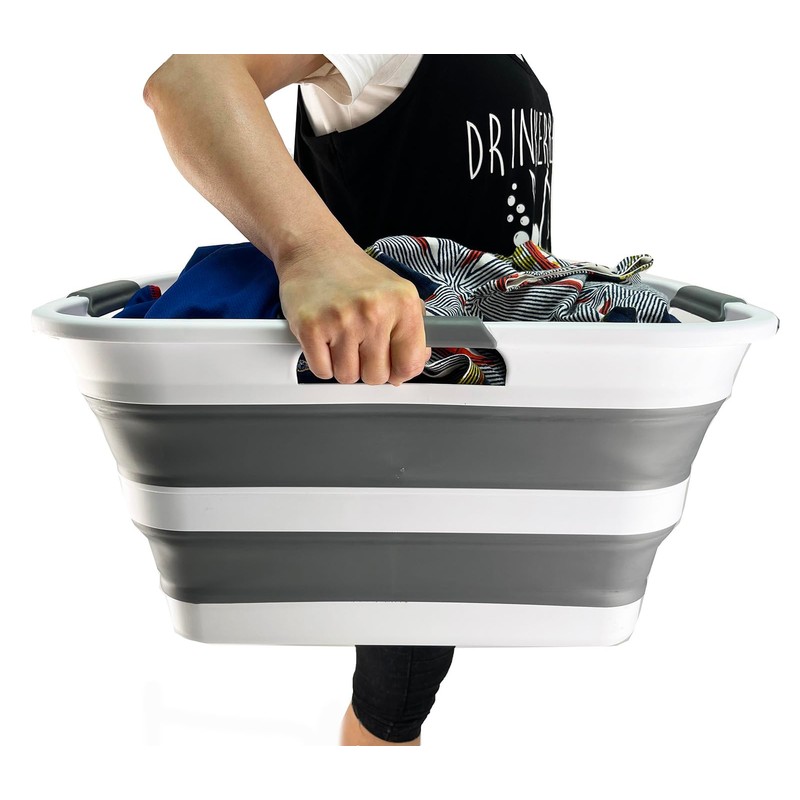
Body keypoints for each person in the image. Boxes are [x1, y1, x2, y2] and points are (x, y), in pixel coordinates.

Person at [142, 54, 553, 745]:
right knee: (399, 692)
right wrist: (312, 251)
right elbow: (190, 76)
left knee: (411, 678)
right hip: (399, 435)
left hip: (477, 427)